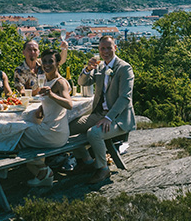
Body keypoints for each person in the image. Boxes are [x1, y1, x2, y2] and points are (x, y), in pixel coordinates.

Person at [69, 35, 136, 183]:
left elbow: (125, 97)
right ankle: (86, 161)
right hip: (99, 114)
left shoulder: (124, 68)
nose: (105, 51)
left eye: (108, 48)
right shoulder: (99, 66)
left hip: (118, 118)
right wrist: (87, 69)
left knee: (94, 133)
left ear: (115, 48)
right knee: (68, 128)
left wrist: (109, 117)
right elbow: (82, 82)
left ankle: (103, 169)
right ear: (98, 50)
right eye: (102, 48)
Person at [14, 49, 73, 187]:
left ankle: (43, 172)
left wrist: (51, 95)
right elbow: (52, 103)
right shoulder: (46, 79)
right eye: (44, 61)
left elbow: (69, 104)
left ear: (58, 63)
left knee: (16, 136)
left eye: (50, 61)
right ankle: (42, 172)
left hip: (54, 133)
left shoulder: (60, 83)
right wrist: (42, 107)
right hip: (54, 131)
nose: (46, 65)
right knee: (19, 134)